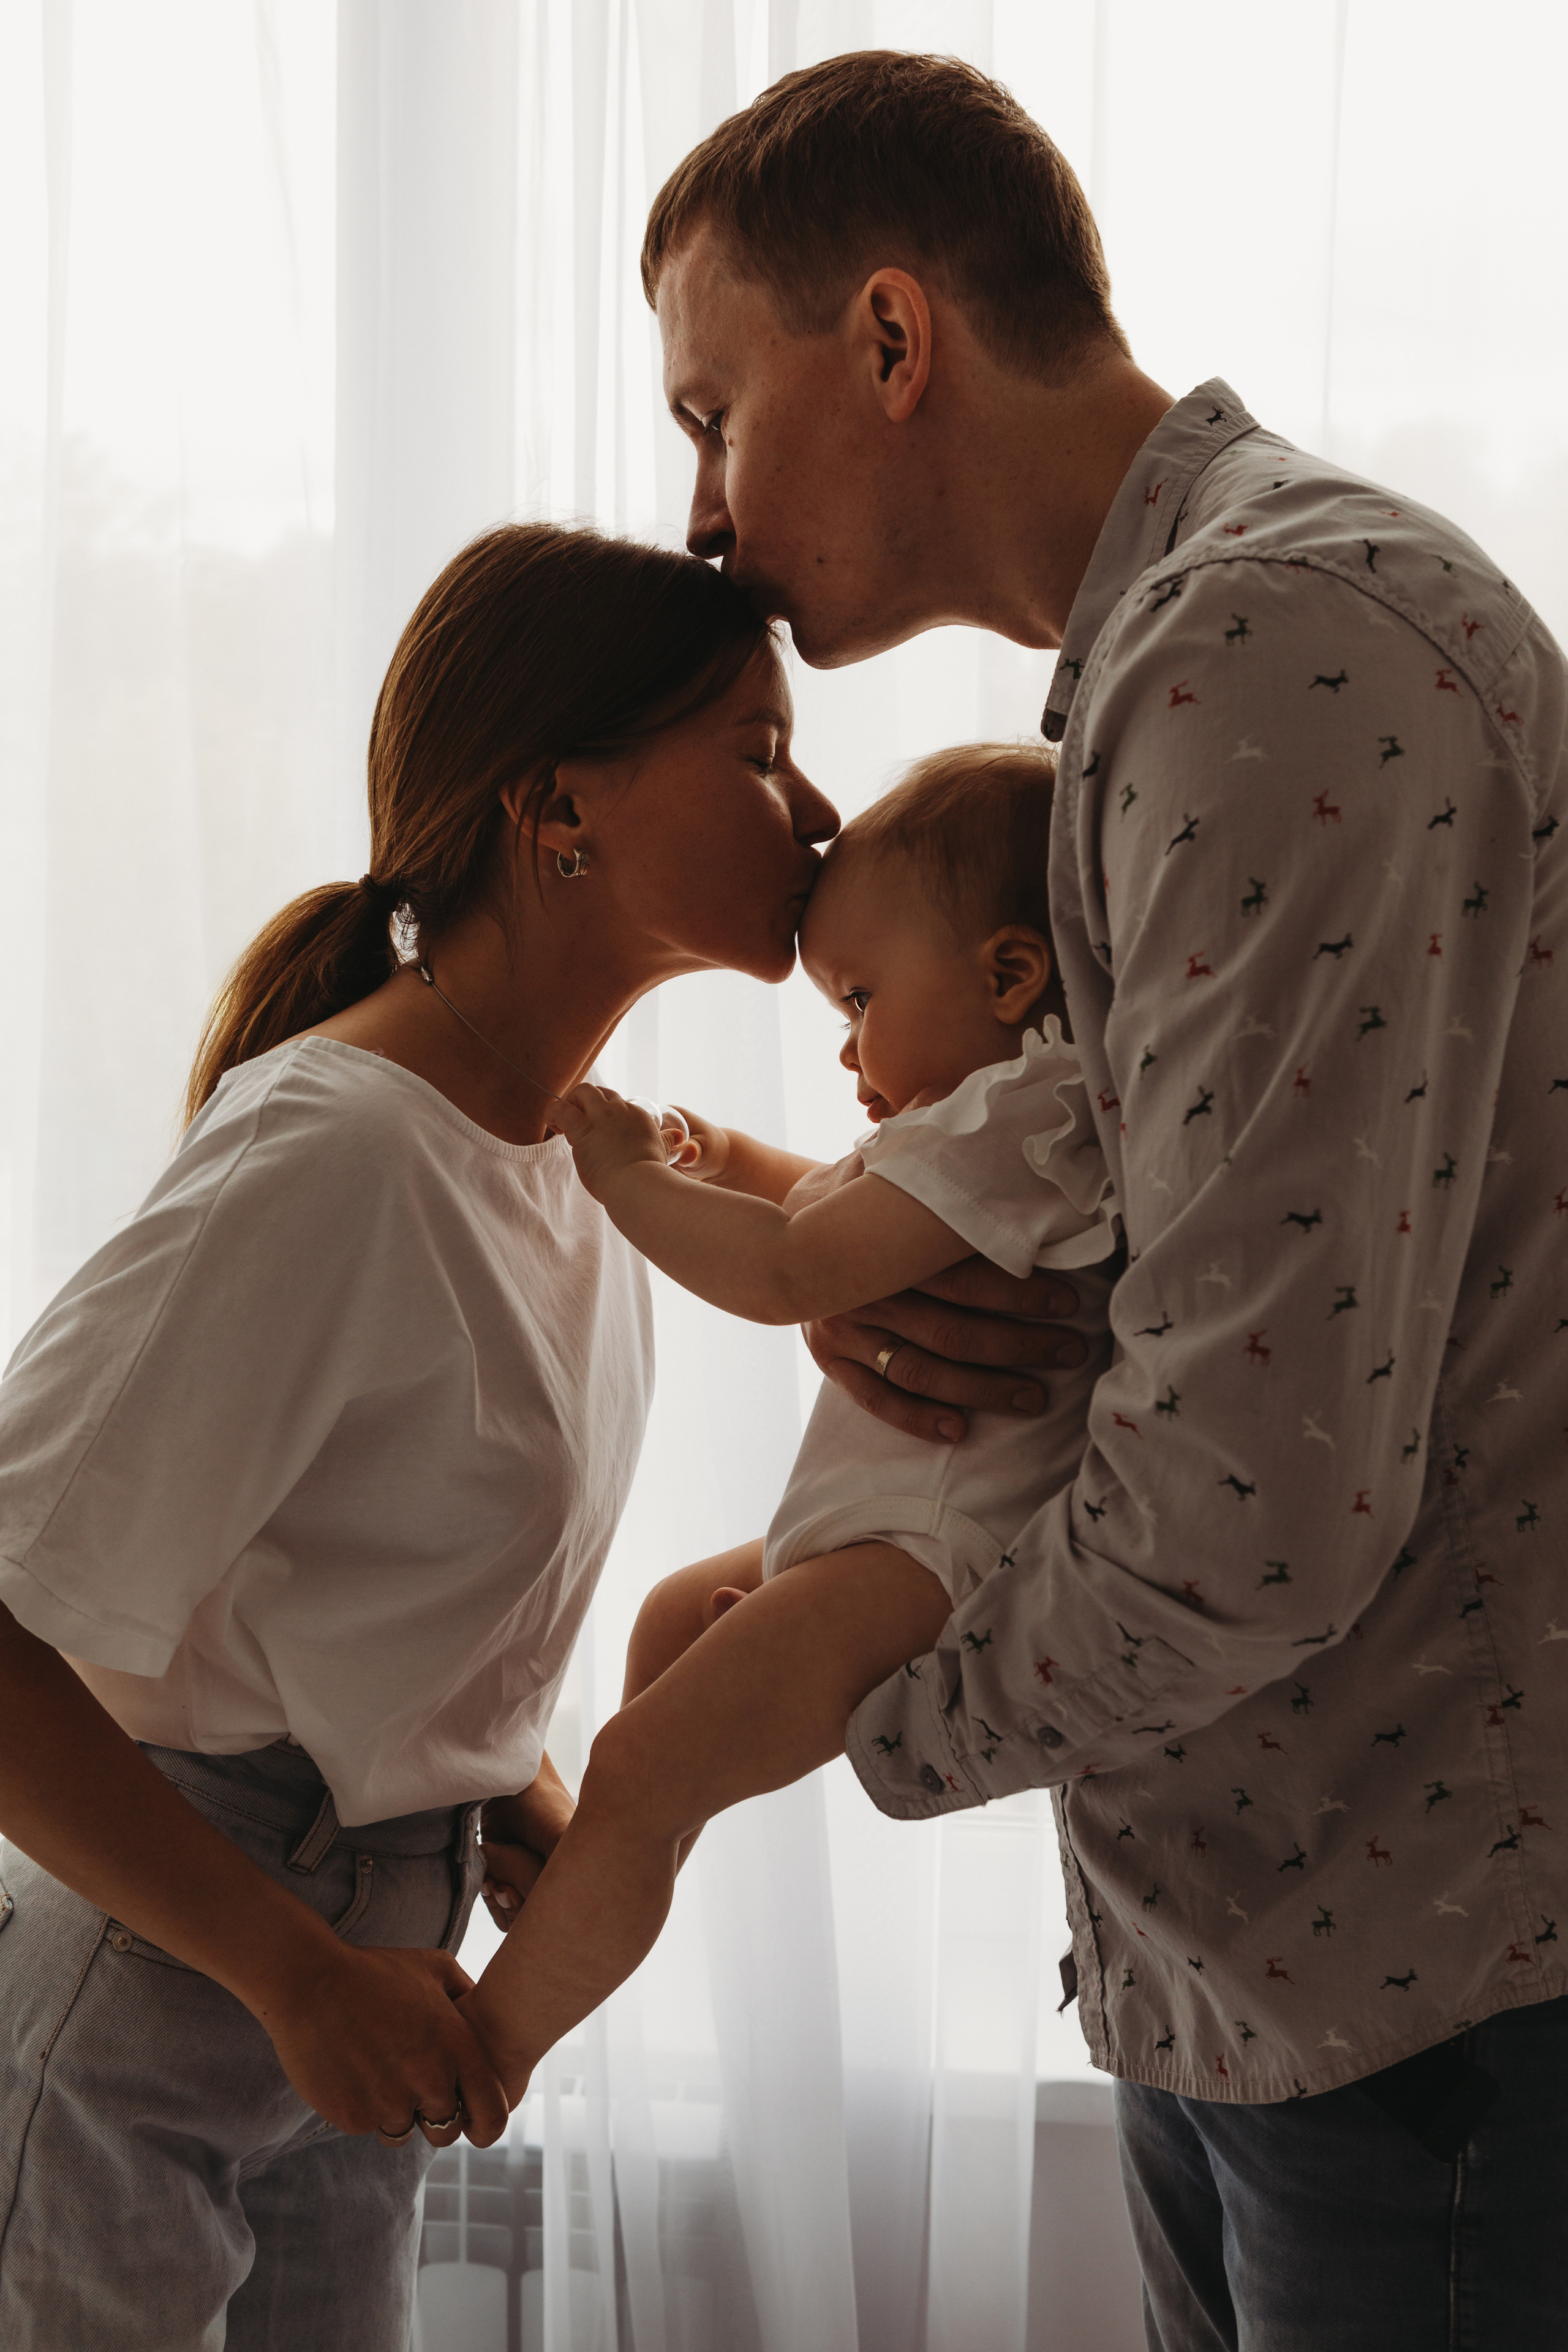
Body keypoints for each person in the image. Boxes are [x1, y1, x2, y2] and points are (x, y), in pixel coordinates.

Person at [637, 48, 1568, 2348]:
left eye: (707, 411)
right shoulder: (1168, 681)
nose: (701, 518)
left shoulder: (1271, 651)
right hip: (1264, 1964)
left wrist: (827, 1704)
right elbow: (1315, 1310)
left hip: (1412, 2002)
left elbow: (1257, 1516)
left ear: (887, 338)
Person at [0, 520, 849, 2351]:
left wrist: (490, 1785)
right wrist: (293, 1964)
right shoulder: (336, 1152)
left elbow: (361, 1566)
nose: (823, 817)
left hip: (368, 1978)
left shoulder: (574, 1161)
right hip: (162, 1992)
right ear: (562, 808)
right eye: (763, 754)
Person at [459, 744, 1118, 2085]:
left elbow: (786, 1271)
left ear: (1007, 976)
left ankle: (489, 2044)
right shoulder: (972, 1132)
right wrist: (723, 1157)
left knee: (649, 1759)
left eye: (862, 998)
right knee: (663, 1629)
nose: (845, 1043)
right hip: (872, 1530)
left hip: (931, 1555)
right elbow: (828, 1196)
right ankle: (606, 1870)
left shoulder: (1030, 1117)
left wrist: (623, 1172)